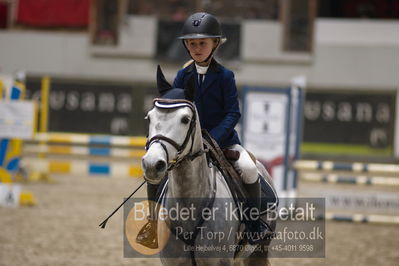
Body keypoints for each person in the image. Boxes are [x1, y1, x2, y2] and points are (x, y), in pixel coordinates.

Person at [136, 12, 265, 248]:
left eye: (202, 43)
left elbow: (233, 113)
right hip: (186, 144)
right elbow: (174, 113)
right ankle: (153, 224)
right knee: (155, 171)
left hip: (222, 141)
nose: (197, 48)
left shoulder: (226, 76)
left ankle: (254, 224)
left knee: (248, 168)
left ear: (215, 43)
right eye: (192, 43)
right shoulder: (182, 76)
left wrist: (212, 138)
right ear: (186, 46)